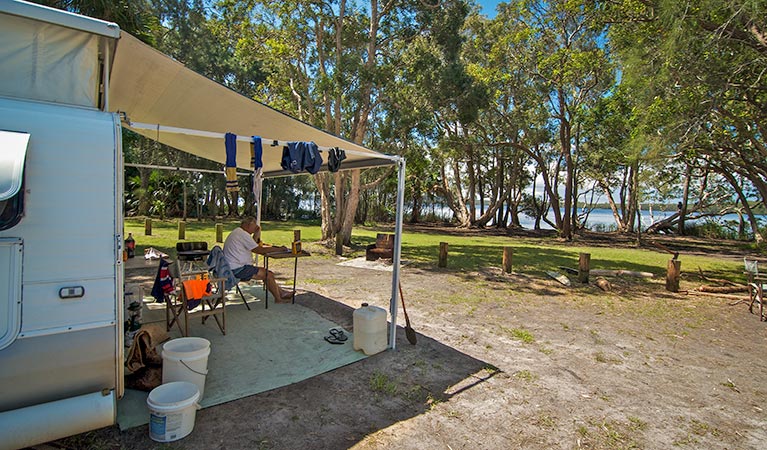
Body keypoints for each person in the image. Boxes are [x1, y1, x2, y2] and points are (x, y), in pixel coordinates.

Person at [223, 217, 293, 302]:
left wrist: (256, 233)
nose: (255, 228)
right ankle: (278, 299)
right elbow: (259, 250)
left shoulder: (238, 232)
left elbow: (253, 244)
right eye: (254, 226)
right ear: (248, 225)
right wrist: (279, 249)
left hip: (232, 267)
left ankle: (281, 293)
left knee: (266, 273)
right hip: (238, 269)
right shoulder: (243, 235)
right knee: (268, 274)